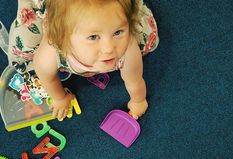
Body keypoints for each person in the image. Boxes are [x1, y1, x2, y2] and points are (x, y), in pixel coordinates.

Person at [8, 0, 159, 121]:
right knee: (27, 37)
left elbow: (134, 79)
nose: (109, 48)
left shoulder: (127, 49)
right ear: (63, 38)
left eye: (118, 32)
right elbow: (46, 76)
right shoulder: (51, 51)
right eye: (93, 37)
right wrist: (59, 98)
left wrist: (138, 100)